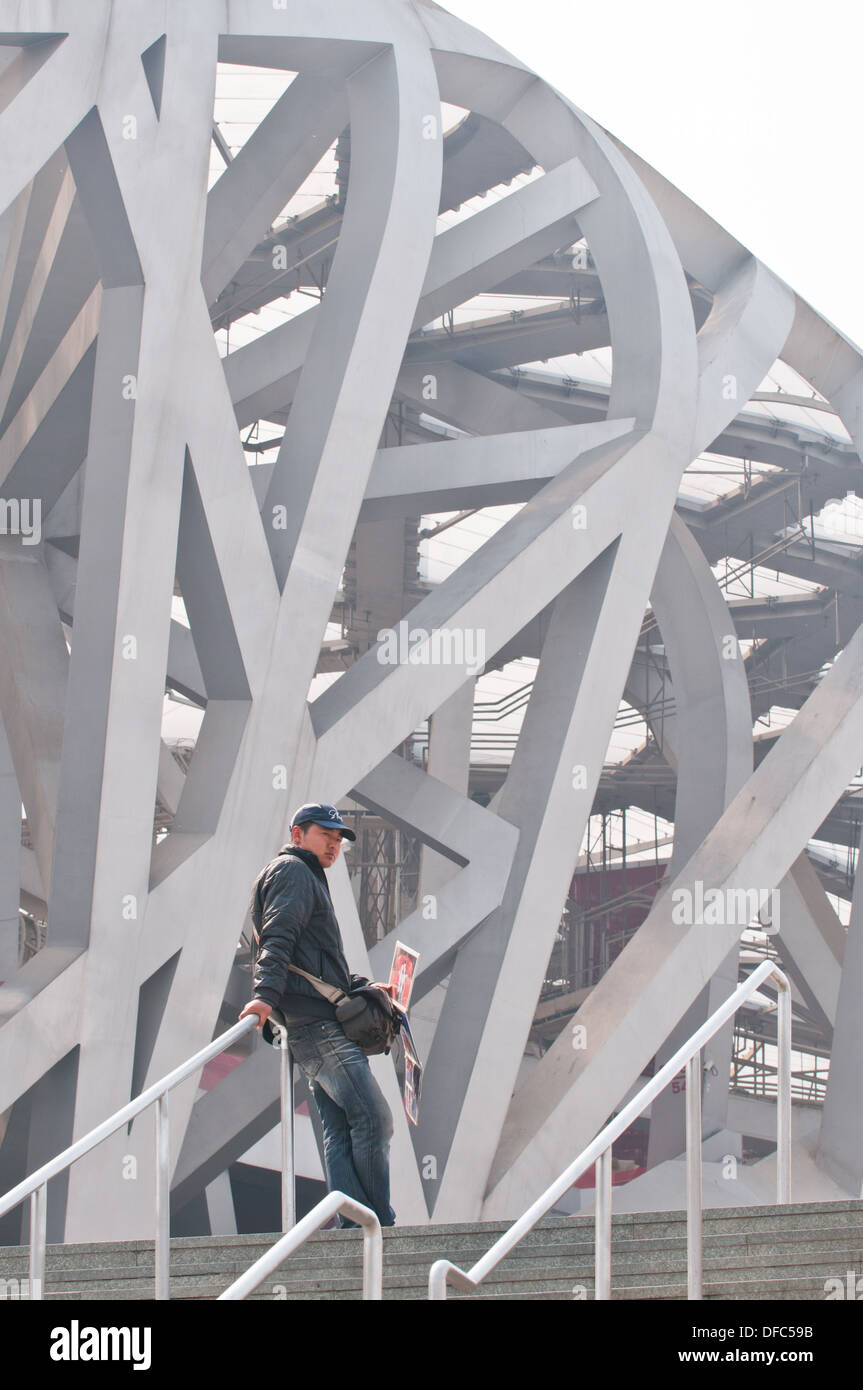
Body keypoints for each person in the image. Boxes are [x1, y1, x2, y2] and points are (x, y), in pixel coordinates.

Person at [239, 802, 396, 1228]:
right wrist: (264, 997)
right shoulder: (292, 872)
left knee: (342, 1128)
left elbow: (313, 959)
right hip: (318, 1026)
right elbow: (279, 936)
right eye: (325, 834)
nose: (334, 844)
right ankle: (378, 1224)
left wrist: (359, 986)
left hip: (311, 1022)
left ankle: (354, 1227)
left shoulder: (304, 876)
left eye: (338, 838)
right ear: (297, 835)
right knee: (373, 1117)